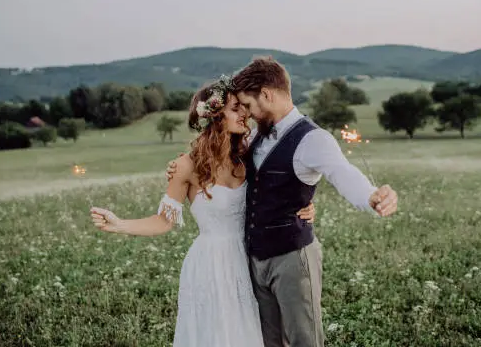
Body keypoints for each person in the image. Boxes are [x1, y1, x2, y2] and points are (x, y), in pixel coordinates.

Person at [167, 57, 398, 347]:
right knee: (267, 341)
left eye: (248, 106)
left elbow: (342, 173)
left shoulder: (313, 139)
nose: (247, 115)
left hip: (292, 257)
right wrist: (181, 168)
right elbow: (233, 169)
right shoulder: (253, 139)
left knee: (304, 338)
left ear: (266, 94)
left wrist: (370, 196)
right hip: (251, 259)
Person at [89, 76, 316, 347]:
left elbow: (277, 188)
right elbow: (163, 222)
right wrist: (119, 224)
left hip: (248, 258)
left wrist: (304, 206)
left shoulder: (247, 156)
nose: (245, 112)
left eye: (243, 106)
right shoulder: (186, 166)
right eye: (235, 108)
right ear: (215, 116)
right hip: (211, 265)